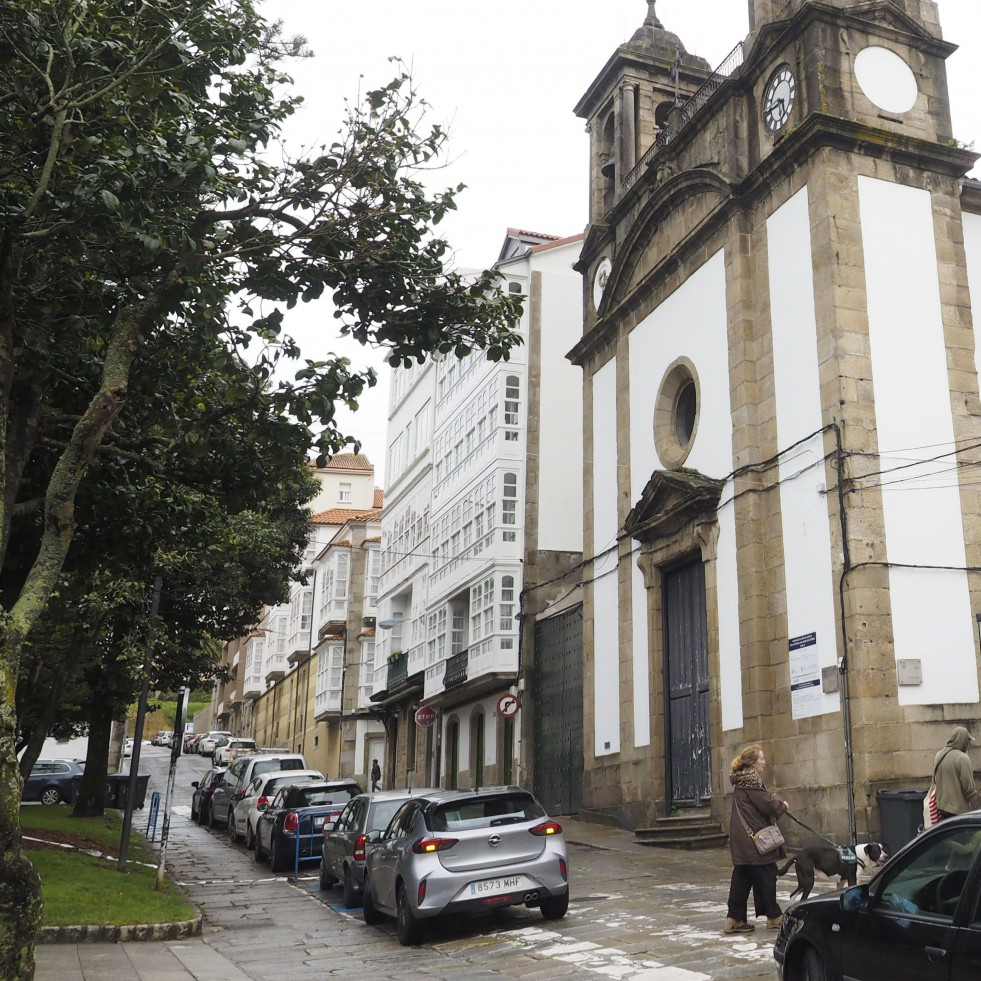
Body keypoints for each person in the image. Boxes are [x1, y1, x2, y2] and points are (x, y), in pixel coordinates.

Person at [725, 744, 789, 935]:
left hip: (743, 840)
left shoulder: (741, 781)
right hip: (754, 841)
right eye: (761, 758)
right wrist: (782, 805)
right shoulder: (751, 781)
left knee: (742, 877)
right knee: (767, 873)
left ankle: (734, 919)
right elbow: (768, 806)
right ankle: (774, 916)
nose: (764, 761)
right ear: (752, 763)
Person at [933, 726, 980, 820]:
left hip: (941, 810)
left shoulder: (939, 755)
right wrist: (979, 807)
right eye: (968, 740)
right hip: (957, 812)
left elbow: (934, 781)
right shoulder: (962, 758)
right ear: (962, 740)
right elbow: (970, 791)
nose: (968, 744)